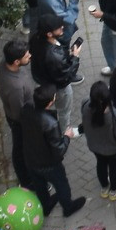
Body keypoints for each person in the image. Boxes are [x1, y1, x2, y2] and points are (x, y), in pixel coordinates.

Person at [21, 84, 87, 217]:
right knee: (61, 184)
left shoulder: (26, 108)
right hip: (49, 163)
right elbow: (59, 150)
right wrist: (67, 137)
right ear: (50, 103)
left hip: (30, 158)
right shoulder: (50, 124)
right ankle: (68, 207)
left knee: (40, 185)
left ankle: (46, 206)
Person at [0, 41, 37, 190]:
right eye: (27, 56)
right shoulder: (15, 88)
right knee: (20, 149)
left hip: (16, 114)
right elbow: (19, 112)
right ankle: (26, 181)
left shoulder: (3, 65)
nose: (30, 56)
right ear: (16, 62)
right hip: (19, 121)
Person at [80, 79, 116, 200]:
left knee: (100, 164)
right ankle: (114, 191)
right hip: (113, 149)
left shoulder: (85, 106)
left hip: (94, 146)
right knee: (114, 168)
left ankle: (104, 188)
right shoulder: (115, 116)